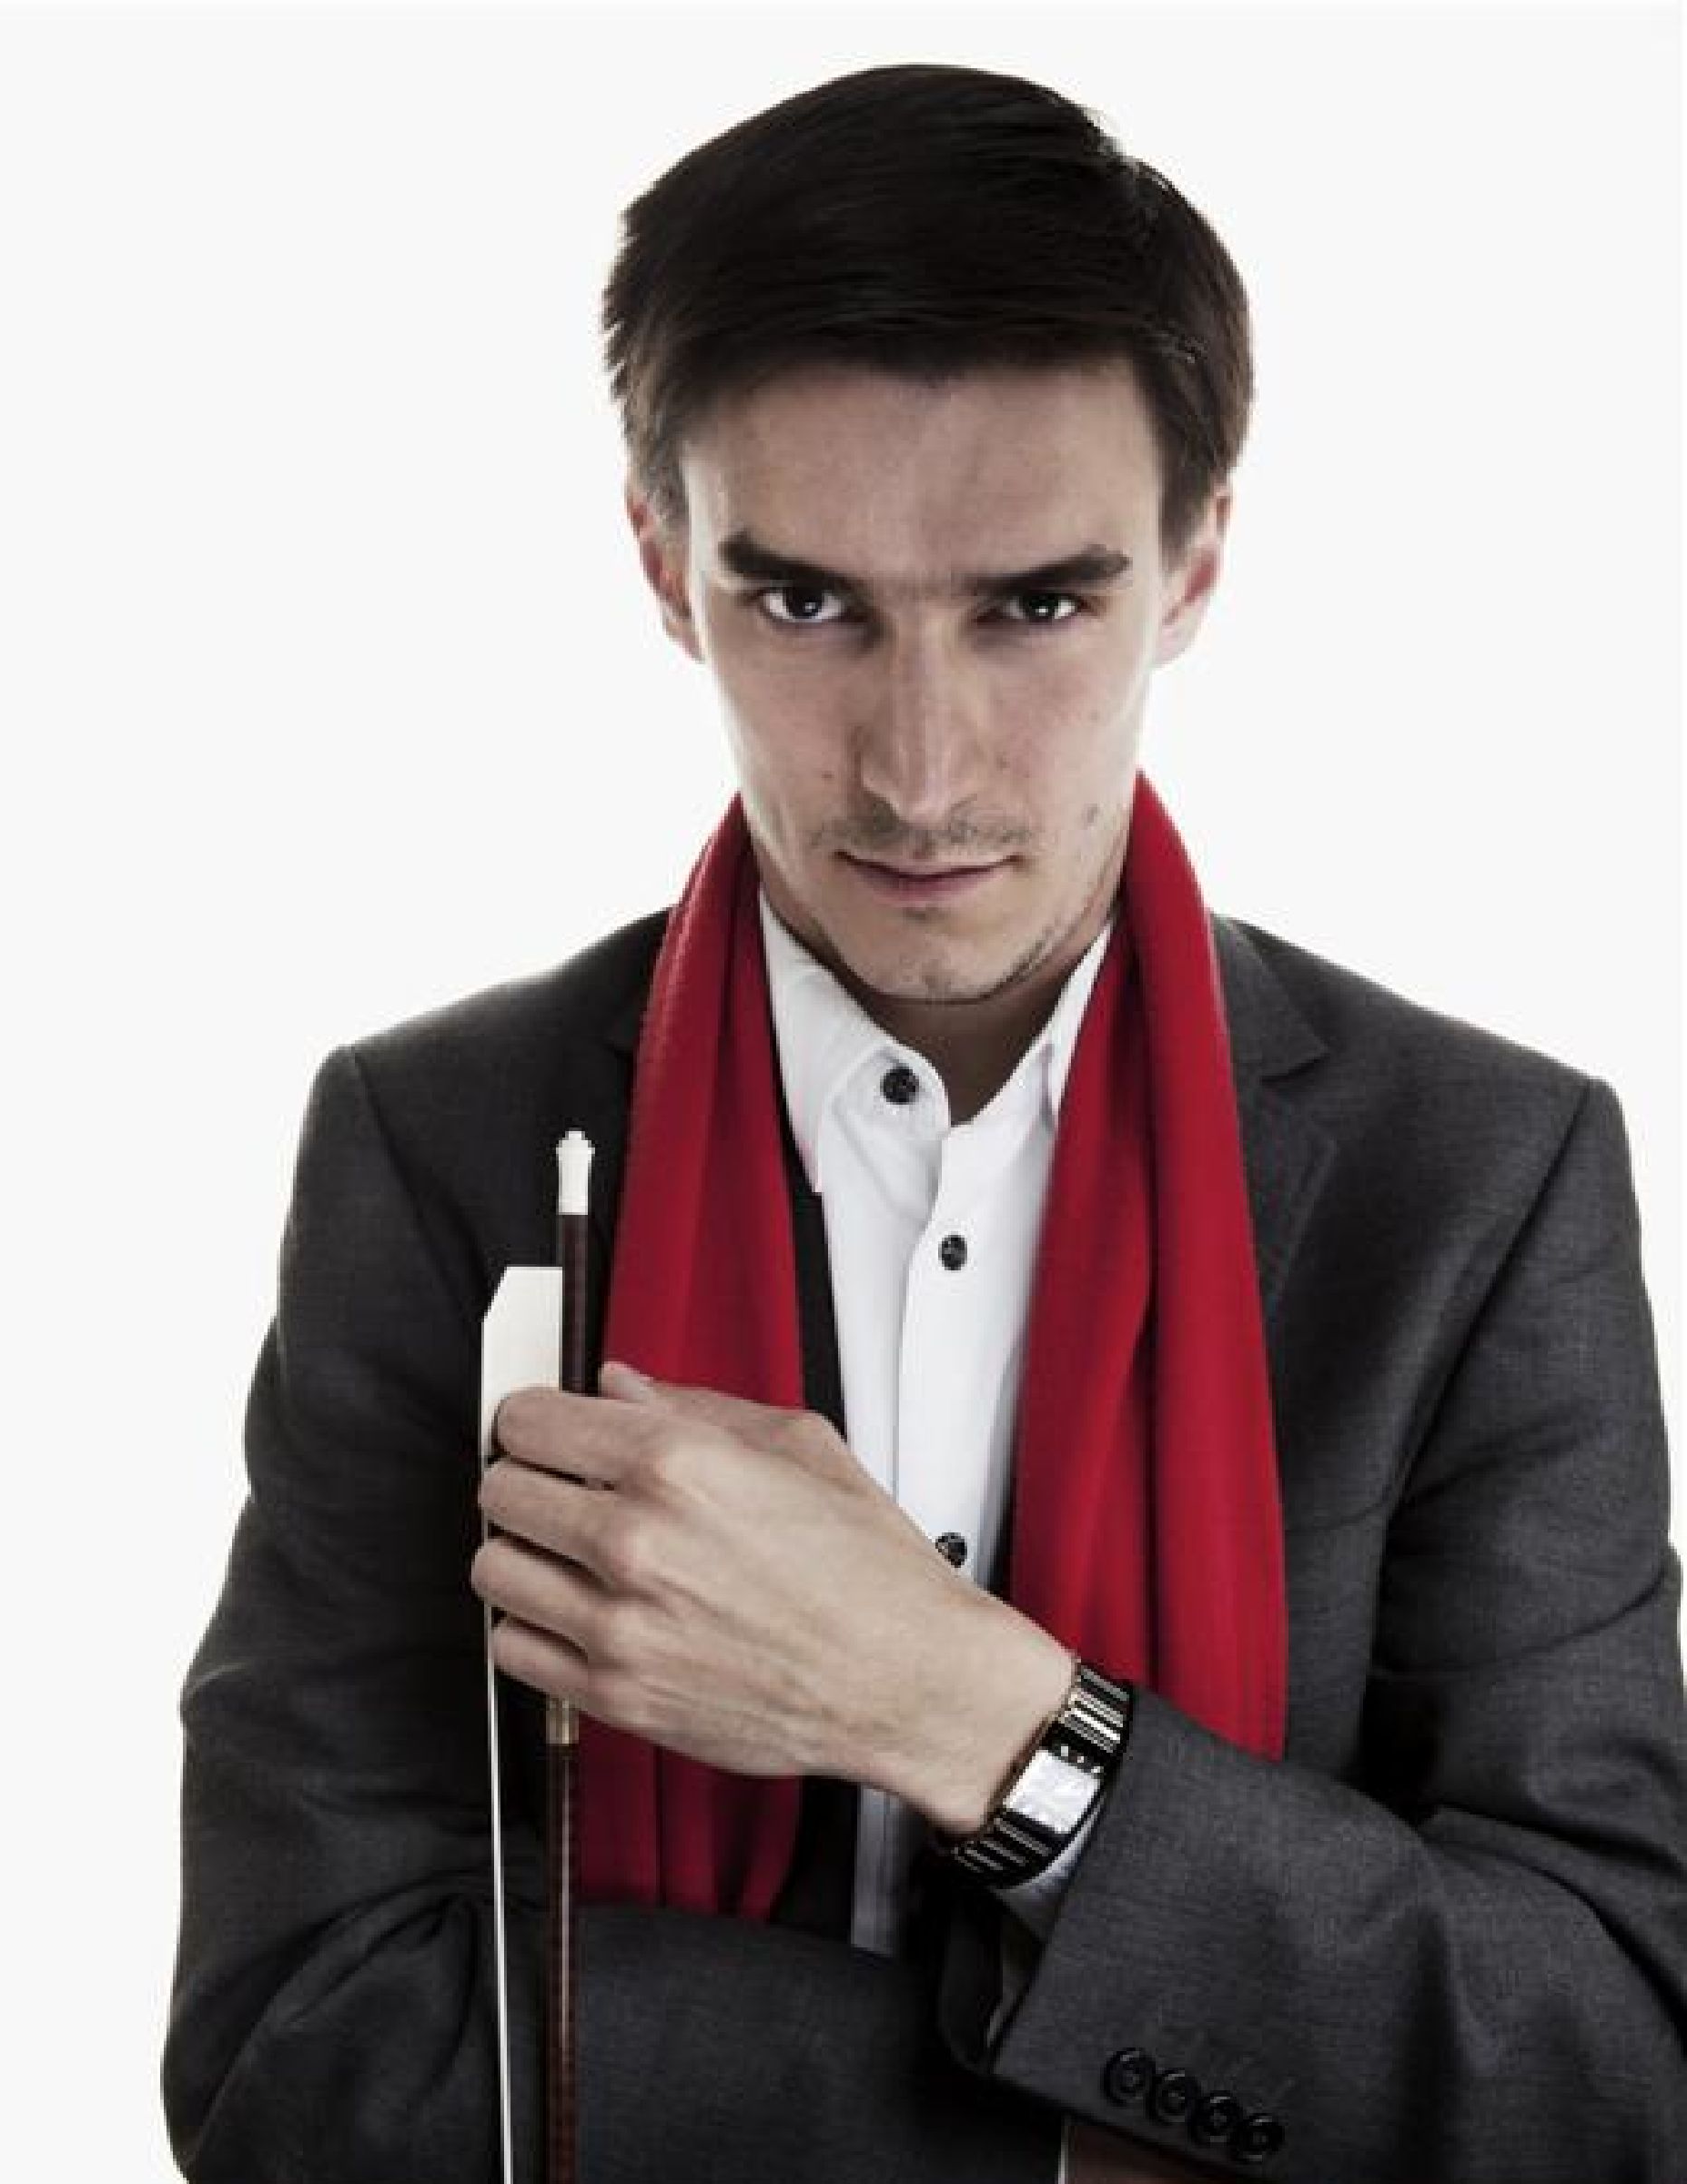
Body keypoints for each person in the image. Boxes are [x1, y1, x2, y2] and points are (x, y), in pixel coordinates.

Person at [161, 61, 1687, 2184]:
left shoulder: (1481, 1181)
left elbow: (1598, 2066)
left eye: (1036, 604)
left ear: (1196, 564)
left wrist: (964, 1710)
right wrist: (1089, 2146)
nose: (922, 769)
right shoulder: (438, 1145)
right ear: (665, 565)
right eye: (808, 602)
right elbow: (292, 2051)